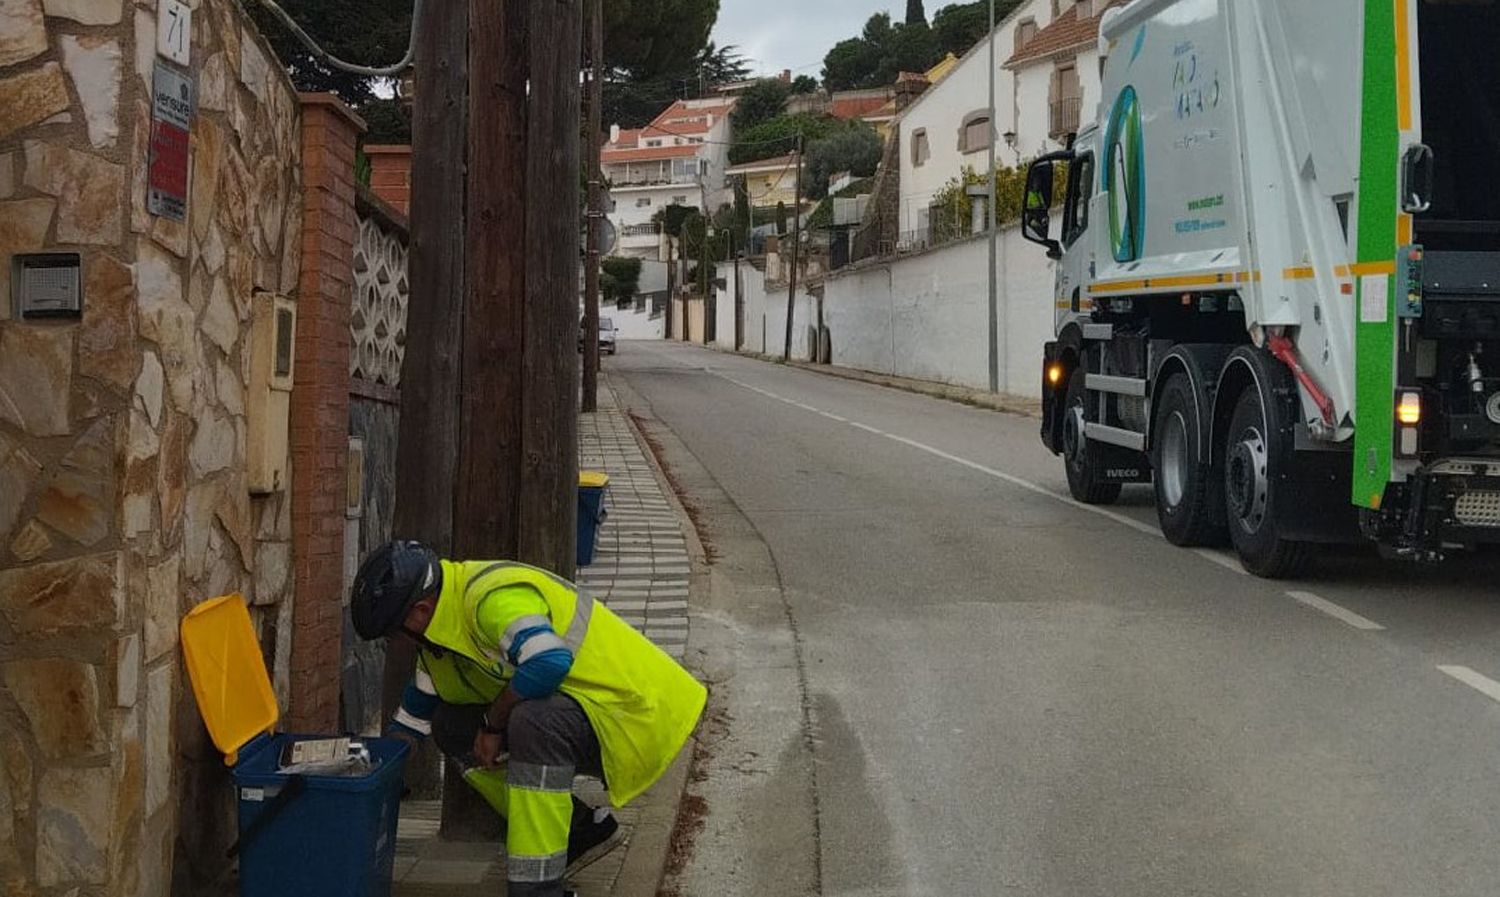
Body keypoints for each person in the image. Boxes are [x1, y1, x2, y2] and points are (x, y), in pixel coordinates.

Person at [351, 541, 707, 897]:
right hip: (592, 713)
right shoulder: (439, 641)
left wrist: (493, 724)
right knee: (452, 726)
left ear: (420, 610)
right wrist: (371, 775)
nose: (394, 642)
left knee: (533, 722)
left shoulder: (488, 599)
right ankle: (577, 831)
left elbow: (548, 662)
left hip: (638, 713)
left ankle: (538, 889)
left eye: (393, 632)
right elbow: (415, 717)